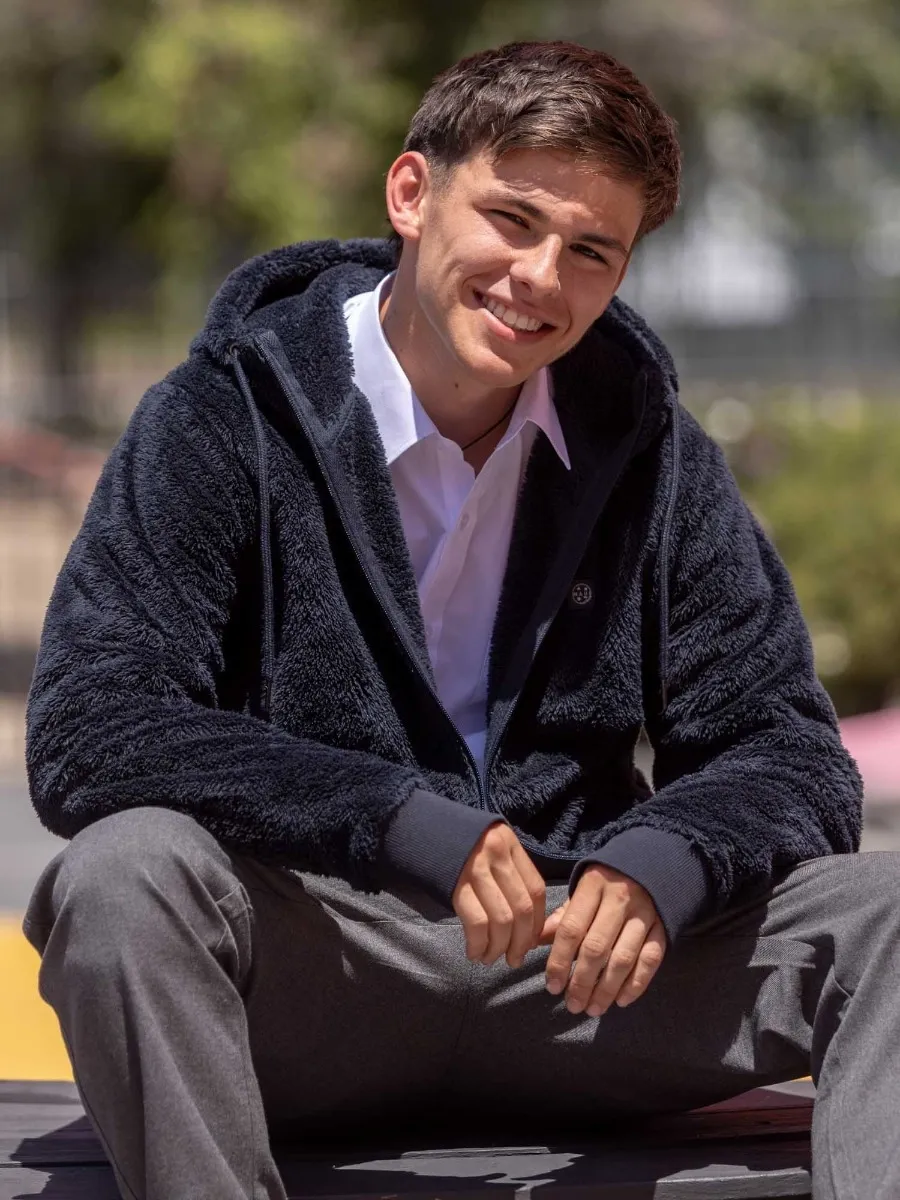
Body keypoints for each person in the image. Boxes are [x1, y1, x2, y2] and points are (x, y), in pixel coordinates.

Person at [21, 39, 897, 1200]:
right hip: (319, 971)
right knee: (122, 877)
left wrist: (663, 863)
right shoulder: (220, 418)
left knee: (889, 910)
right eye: (512, 219)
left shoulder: (651, 448)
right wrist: (395, 819)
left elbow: (788, 748)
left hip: (582, 984)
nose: (540, 277)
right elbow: (92, 726)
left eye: (591, 252)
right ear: (411, 193)